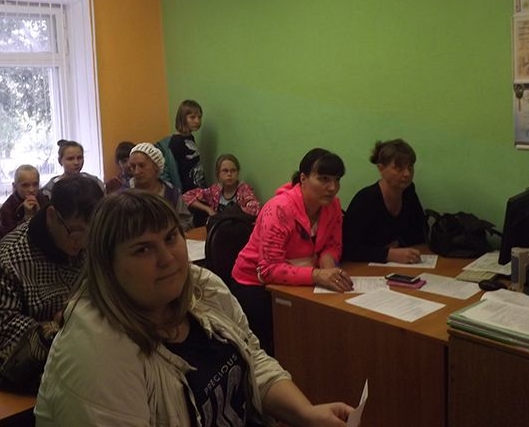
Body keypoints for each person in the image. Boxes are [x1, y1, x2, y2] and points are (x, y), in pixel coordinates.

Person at [34, 190, 353, 427]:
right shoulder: (96, 353)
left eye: (171, 237)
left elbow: (251, 357)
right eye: (143, 249)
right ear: (108, 266)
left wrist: (305, 413)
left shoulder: (202, 286)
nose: (168, 258)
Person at [231, 148, 353, 354]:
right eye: (323, 179)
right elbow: (268, 270)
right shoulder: (279, 209)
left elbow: (333, 244)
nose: (332, 188)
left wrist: (328, 265)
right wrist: (318, 275)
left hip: (300, 280)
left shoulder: (332, 206)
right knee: (294, 336)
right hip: (254, 284)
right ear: (303, 178)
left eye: (337, 180)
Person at [0, 175, 104, 367]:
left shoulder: (95, 242)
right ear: (52, 215)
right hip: (45, 362)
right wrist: (56, 327)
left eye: (91, 232)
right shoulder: (9, 257)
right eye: (76, 232)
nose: (84, 243)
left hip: (97, 350)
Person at [342, 139, 427, 263]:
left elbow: (420, 233)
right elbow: (348, 249)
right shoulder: (365, 200)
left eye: (410, 167)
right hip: (365, 268)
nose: (407, 174)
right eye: (398, 168)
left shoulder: (408, 192)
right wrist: (387, 254)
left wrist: (398, 244)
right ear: (381, 169)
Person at [128, 142, 192, 231]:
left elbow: (185, 220)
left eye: (142, 166)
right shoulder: (124, 195)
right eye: (132, 166)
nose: (137, 171)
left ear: (156, 166)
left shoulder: (172, 193)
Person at [183, 153, 261, 220]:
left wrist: (232, 212)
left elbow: (255, 208)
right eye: (225, 171)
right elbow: (186, 196)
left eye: (233, 170)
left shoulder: (244, 189)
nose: (229, 174)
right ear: (218, 174)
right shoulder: (214, 191)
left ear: (238, 173)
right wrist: (208, 209)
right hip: (220, 227)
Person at [157, 99, 206, 193]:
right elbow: (172, 170)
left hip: (198, 188)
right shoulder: (176, 142)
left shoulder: (190, 138)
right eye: (192, 117)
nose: (197, 121)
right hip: (186, 193)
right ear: (183, 118)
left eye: (199, 117)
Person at [41, 139, 106, 198]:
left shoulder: (94, 182)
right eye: (70, 159)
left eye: (79, 158)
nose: (76, 162)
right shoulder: (50, 188)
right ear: (60, 161)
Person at [0, 165, 47, 240]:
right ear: (15, 186)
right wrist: (27, 216)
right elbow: (10, 239)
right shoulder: (8, 208)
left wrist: (40, 214)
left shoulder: (42, 199)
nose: (31, 190)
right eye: (25, 185)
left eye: (35, 184)